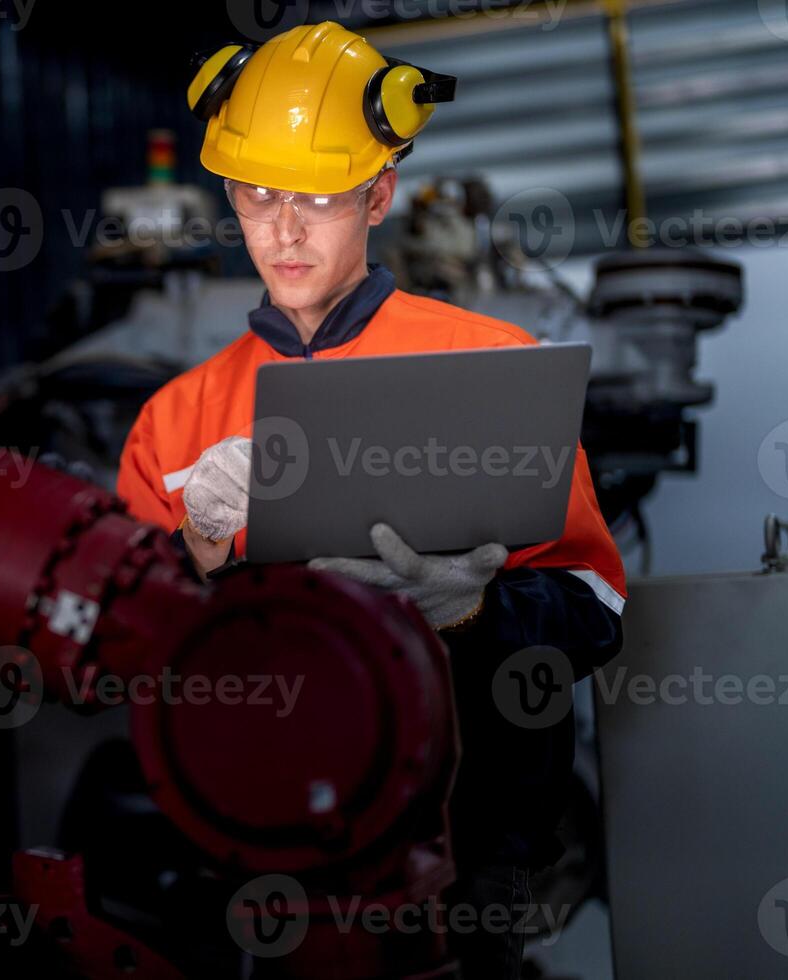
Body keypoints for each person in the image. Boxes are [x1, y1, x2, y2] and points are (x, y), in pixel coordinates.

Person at [117, 23, 624, 978]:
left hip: (478, 855)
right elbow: (125, 666)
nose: (285, 228)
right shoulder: (174, 427)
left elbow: (598, 614)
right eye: (258, 193)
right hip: (266, 856)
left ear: (379, 193)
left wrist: (474, 609)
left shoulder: (496, 370)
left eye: (319, 196)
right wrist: (199, 566)